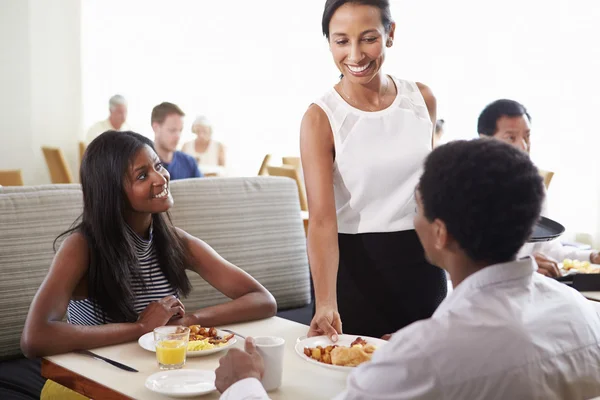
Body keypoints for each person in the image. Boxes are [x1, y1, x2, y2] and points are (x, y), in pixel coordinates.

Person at [214, 139, 600, 400]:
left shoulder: (423, 359)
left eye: (416, 208)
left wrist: (243, 385)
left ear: (440, 233)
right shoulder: (581, 313)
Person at [21, 131, 276, 357]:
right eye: (142, 176)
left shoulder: (176, 241)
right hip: (92, 379)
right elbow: (35, 337)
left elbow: (262, 299)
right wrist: (141, 329)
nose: (161, 178)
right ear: (112, 192)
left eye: (157, 165)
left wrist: (190, 320)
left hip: (158, 371)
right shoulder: (82, 247)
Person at [302, 0, 446, 340]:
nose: (355, 55)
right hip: (356, 269)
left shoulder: (421, 98)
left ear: (390, 34)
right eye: (341, 41)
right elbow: (322, 221)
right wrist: (325, 302)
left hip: (423, 263)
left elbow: (431, 192)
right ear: (329, 42)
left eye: (368, 38)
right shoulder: (320, 117)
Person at [478, 99, 600, 276]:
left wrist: (592, 257)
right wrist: (521, 267)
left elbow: (548, 250)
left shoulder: (533, 186)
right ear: (484, 140)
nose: (523, 146)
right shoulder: (468, 188)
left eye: (527, 136)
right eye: (511, 137)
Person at [151, 102, 203, 180]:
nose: (178, 137)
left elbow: (202, 190)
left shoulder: (189, 163)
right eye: (172, 130)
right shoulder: (145, 164)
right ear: (156, 128)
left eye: (180, 130)